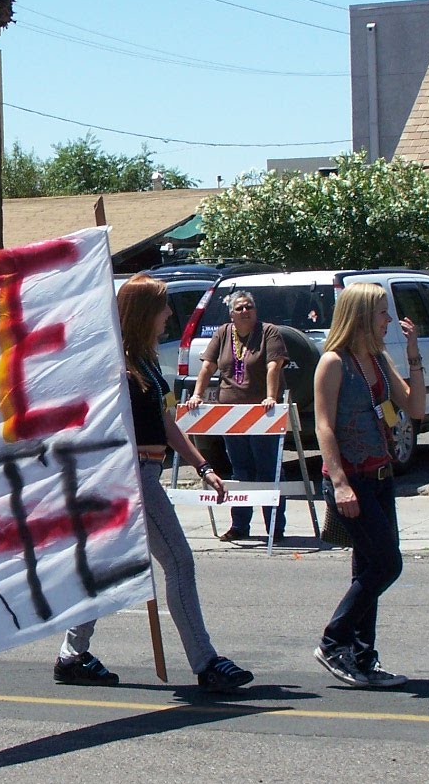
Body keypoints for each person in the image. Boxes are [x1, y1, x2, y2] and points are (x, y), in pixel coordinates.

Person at [53, 274, 255, 693]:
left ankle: (71, 657)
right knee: (179, 562)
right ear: (144, 312)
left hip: (145, 472)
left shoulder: (146, 361)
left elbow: (166, 423)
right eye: (163, 306)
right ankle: (206, 662)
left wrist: (202, 466)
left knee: (106, 570)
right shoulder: (113, 365)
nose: (169, 313)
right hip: (128, 478)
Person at [311, 282, 425, 690]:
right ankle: (333, 640)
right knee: (387, 564)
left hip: (380, 476)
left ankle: (362, 657)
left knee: (368, 568)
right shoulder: (333, 362)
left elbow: (414, 406)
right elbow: (323, 426)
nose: (388, 320)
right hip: (351, 479)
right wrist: (340, 483)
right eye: (381, 312)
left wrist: (412, 353)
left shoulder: (376, 359)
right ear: (360, 315)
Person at [184, 290, 289, 541]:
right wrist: (197, 394)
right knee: (240, 470)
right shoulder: (222, 333)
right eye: (239, 308)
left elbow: (274, 365)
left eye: (249, 307)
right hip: (231, 414)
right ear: (231, 313)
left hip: (263, 414)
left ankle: (275, 527)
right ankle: (239, 526)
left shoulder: (268, 332)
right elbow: (208, 365)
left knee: (267, 469)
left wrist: (271, 396)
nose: (245, 311)